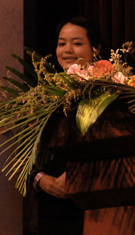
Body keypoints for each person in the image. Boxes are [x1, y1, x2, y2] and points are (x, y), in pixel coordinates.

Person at [28, 16, 102, 235]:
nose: (67, 50)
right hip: (50, 207)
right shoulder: (42, 97)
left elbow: (118, 148)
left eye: (77, 43)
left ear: (95, 49)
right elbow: (25, 154)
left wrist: (77, 173)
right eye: (62, 43)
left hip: (92, 206)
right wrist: (40, 179)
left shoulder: (108, 92)